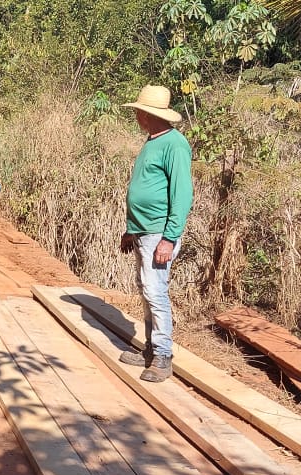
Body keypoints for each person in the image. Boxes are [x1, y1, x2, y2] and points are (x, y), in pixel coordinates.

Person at [117, 85, 193, 383]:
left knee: (155, 291)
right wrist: (130, 230)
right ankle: (150, 350)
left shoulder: (175, 144)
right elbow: (145, 189)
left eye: (139, 111)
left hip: (158, 233)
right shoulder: (153, 142)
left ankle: (162, 356)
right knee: (146, 290)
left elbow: (182, 193)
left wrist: (169, 237)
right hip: (142, 232)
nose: (136, 115)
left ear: (149, 114)